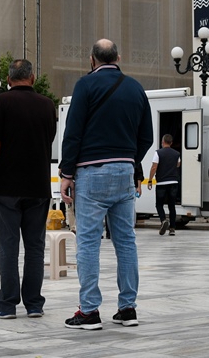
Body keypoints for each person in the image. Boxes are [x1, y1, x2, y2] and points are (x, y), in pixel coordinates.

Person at [59, 39, 153, 330]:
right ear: (118, 57)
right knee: (126, 241)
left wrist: (66, 172)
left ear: (92, 60)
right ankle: (127, 308)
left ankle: (89, 310)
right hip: (124, 171)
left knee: (88, 241)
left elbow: (73, 131)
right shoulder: (135, 87)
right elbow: (147, 135)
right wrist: (129, 159)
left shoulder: (85, 86)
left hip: (91, 173)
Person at [0, 59, 56, 319]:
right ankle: (34, 304)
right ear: (32, 78)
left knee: (8, 246)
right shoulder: (47, 105)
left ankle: (7, 305)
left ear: (9, 80)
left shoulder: (2, 102)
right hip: (39, 186)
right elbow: (50, 138)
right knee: (35, 247)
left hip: (8, 187)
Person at [147, 134, 181, 236]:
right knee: (172, 206)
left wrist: (150, 180)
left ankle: (163, 220)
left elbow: (154, 167)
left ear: (162, 142)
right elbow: (178, 164)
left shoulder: (158, 153)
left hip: (161, 183)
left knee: (159, 204)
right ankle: (172, 228)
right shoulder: (176, 154)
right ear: (171, 143)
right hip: (173, 183)